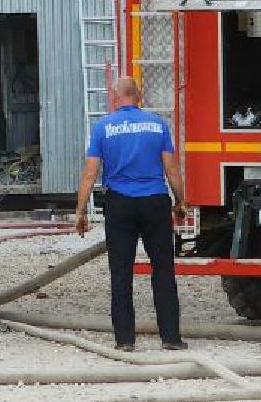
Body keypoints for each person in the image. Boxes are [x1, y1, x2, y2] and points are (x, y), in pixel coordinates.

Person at [73, 76, 185, 352]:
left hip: (119, 203)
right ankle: (170, 337)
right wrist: (181, 201)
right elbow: (171, 169)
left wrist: (80, 211)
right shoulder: (157, 125)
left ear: (114, 98)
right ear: (138, 95)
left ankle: (124, 340)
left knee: (120, 272)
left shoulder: (102, 128)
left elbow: (90, 174)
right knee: (163, 270)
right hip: (154, 202)